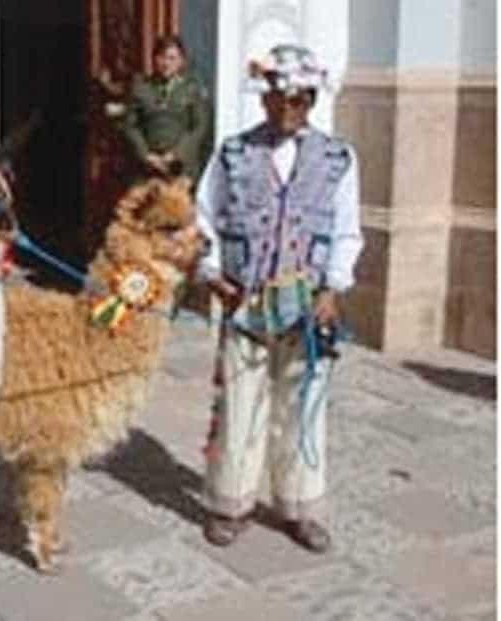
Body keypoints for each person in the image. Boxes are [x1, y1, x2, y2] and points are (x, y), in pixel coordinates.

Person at [194, 44, 363, 553]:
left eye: (299, 99)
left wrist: (333, 287)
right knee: (241, 402)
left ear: (311, 99)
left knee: (302, 402)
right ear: (264, 97)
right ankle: (231, 504)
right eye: (279, 97)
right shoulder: (233, 153)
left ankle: (299, 506)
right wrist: (212, 273)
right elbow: (206, 215)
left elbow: (347, 230)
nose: (288, 108)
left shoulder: (338, 158)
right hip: (246, 299)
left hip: (307, 304)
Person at [122, 35, 211, 181]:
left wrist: (176, 154)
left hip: (180, 168)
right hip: (147, 168)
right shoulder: (141, 88)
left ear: (182, 61)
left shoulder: (193, 89)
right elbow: (130, 125)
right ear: (154, 59)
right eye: (162, 57)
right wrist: (145, 154)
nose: (166, 63)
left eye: (172, 58)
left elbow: (199, 127)